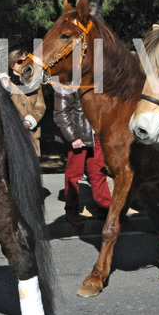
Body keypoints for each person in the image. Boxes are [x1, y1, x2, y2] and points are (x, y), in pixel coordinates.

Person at [53, 89, 112, 226]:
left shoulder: (97, 78)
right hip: (79, 135)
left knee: (99, 172)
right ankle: (72, 211)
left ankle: (106, 209)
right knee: (74, 174)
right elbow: (61, 112)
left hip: (97, 135)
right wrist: (73, 137)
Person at [2, 49, 47, 155]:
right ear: (12, 65)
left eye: (25, 60)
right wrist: (5, 89)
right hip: (12, 135)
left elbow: (41, 106)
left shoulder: (35, 82)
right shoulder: (5, 82)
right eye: (20, 62)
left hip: (31, 135)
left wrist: (29, 121)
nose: (24, 64)